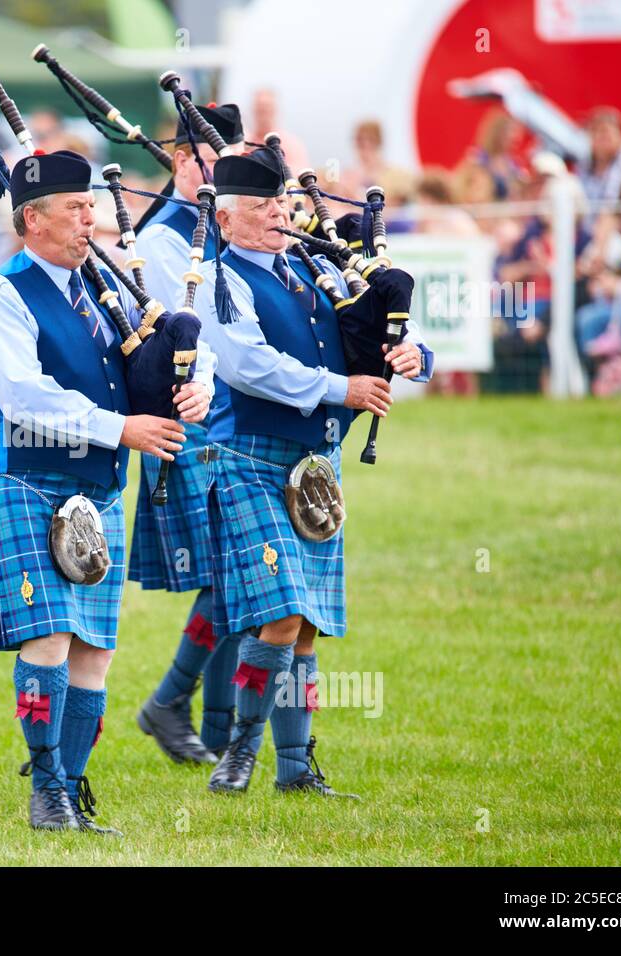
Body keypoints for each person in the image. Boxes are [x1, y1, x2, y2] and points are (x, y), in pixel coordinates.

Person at [0, 148, 212, 833]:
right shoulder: (1, 296)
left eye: (90, 207)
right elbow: (22, 396)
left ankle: (71, 786)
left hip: (97, 486)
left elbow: (188, 343)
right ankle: (46, 790)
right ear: (30, 220)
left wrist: (196, 385)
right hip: (28, 478)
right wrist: (120, 428)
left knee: (93, 649)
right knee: (46, 637)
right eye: (73, 209)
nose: (89, 219)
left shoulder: (105, 288)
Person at [191, 149, 433, 796]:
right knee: (282, 612)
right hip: (253, 460)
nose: (277, 215)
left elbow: (377, 330)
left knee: (305, 625)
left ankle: (295, 768)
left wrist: (413, 352)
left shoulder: (317, 267)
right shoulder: (222, 283)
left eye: (280, 204)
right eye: (261, 208)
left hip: (317, 468)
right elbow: (248, 366)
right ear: (227, 220)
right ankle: (239, 754)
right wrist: (341, 389)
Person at [131, 103, 246, 765]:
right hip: (191, 414)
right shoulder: (164, 238)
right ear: (179, 162)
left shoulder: (222, 219)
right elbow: (201, 333)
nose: (219, 179)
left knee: (236, 573)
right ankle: (173, 703)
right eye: (209, 164)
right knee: (229, 572)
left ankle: (212, 721)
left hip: (235, 413)